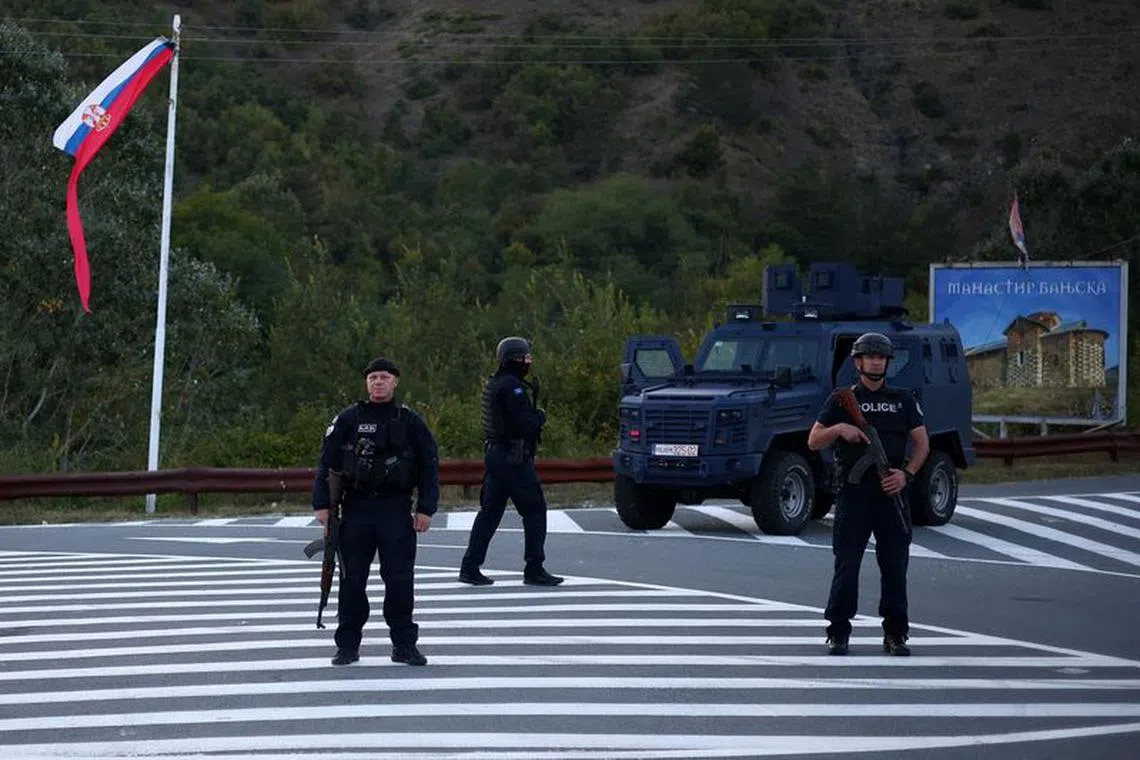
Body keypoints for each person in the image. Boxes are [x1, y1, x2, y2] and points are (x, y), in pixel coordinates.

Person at [312, 357, 440, 666]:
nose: (378, 382)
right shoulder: (348, 419)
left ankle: (404, 645)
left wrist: (426, 508)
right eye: (372, 378)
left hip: (395, 509)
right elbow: (326, 462)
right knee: (352, 579)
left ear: (396, 382)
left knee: (399, 579)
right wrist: (322, 505)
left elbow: (429, 465)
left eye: (384, 377)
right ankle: (347, 646)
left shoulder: (410, 421)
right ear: (366, 383)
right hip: (356, 508)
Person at [807, 332, 929, 657]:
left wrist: (907, 475)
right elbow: (814, 440)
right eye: (869, 356)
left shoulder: (903, 399)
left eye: (881, 356)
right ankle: (838, 632)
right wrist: (839, 430)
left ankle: (895, 635)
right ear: (857, 362)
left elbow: (922, 442)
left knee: (894, 567)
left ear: (888, 362)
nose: (875, 361)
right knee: (847, 565)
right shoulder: (842, 398)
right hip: (854, 492)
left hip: (891, 493)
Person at [458, 336, 564, 587]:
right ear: (515, 359)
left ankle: (470, 566)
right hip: (513, 458)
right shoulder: (513, 388)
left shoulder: (495, 383)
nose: (528, 362)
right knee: (535, 510)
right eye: (525, 357)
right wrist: (539, 417)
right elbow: (524, 423)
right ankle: (534, 567)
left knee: (490, 513)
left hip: (497, 457)